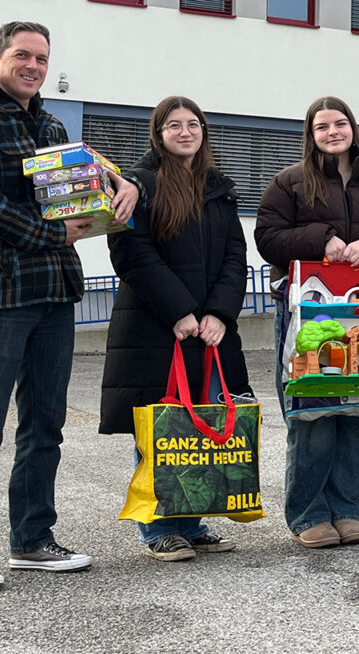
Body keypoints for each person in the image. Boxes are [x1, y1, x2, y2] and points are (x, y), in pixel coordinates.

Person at [0, 21, 137, 591]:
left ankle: (33, 540)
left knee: (45, 423)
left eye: (42, 58)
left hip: (53, 292)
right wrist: (58, 234)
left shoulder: (49, 125)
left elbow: (91, 179)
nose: (33, 66)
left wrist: (129, 186)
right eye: (22, 55)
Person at [100, 96, 251, 561]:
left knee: (199, 426)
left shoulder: (219, 189)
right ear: (158, 133)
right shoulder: (137, 187)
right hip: (158, 328)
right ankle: (158, 527)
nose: (185, 132)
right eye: (174, 125)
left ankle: (191, 520)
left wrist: (220, 315)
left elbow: (235, 258)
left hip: (208, 331)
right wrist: (181, 311)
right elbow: (132, 255)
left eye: (193, 124)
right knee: (160, 427)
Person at [255, 96, 359, 548]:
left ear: (353, 128)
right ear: (311, 133)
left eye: (340, 123)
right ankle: (309, 513)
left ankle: (349, 509)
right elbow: (268, 237)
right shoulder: (289, 184)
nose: (332, 132)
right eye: (322, 126)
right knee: (313, 403)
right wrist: (323, 239)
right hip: (310, 313)